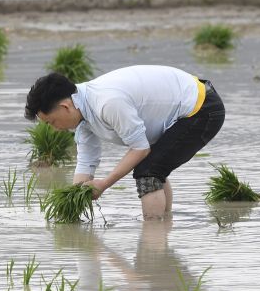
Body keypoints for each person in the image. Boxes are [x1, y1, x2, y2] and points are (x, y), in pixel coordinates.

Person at [24, 66, 225, 219]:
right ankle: (163, 229)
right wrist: (73, 201)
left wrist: (103, 184)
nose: (54, 128)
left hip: (201, 107)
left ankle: (154, 243)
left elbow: (140, 149)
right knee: (155, 167)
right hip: (188, 103)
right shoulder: (82, 113)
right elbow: (86, 163)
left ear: (65, 106)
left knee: (148, 171)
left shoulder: (107, 102)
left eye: (51, 122)